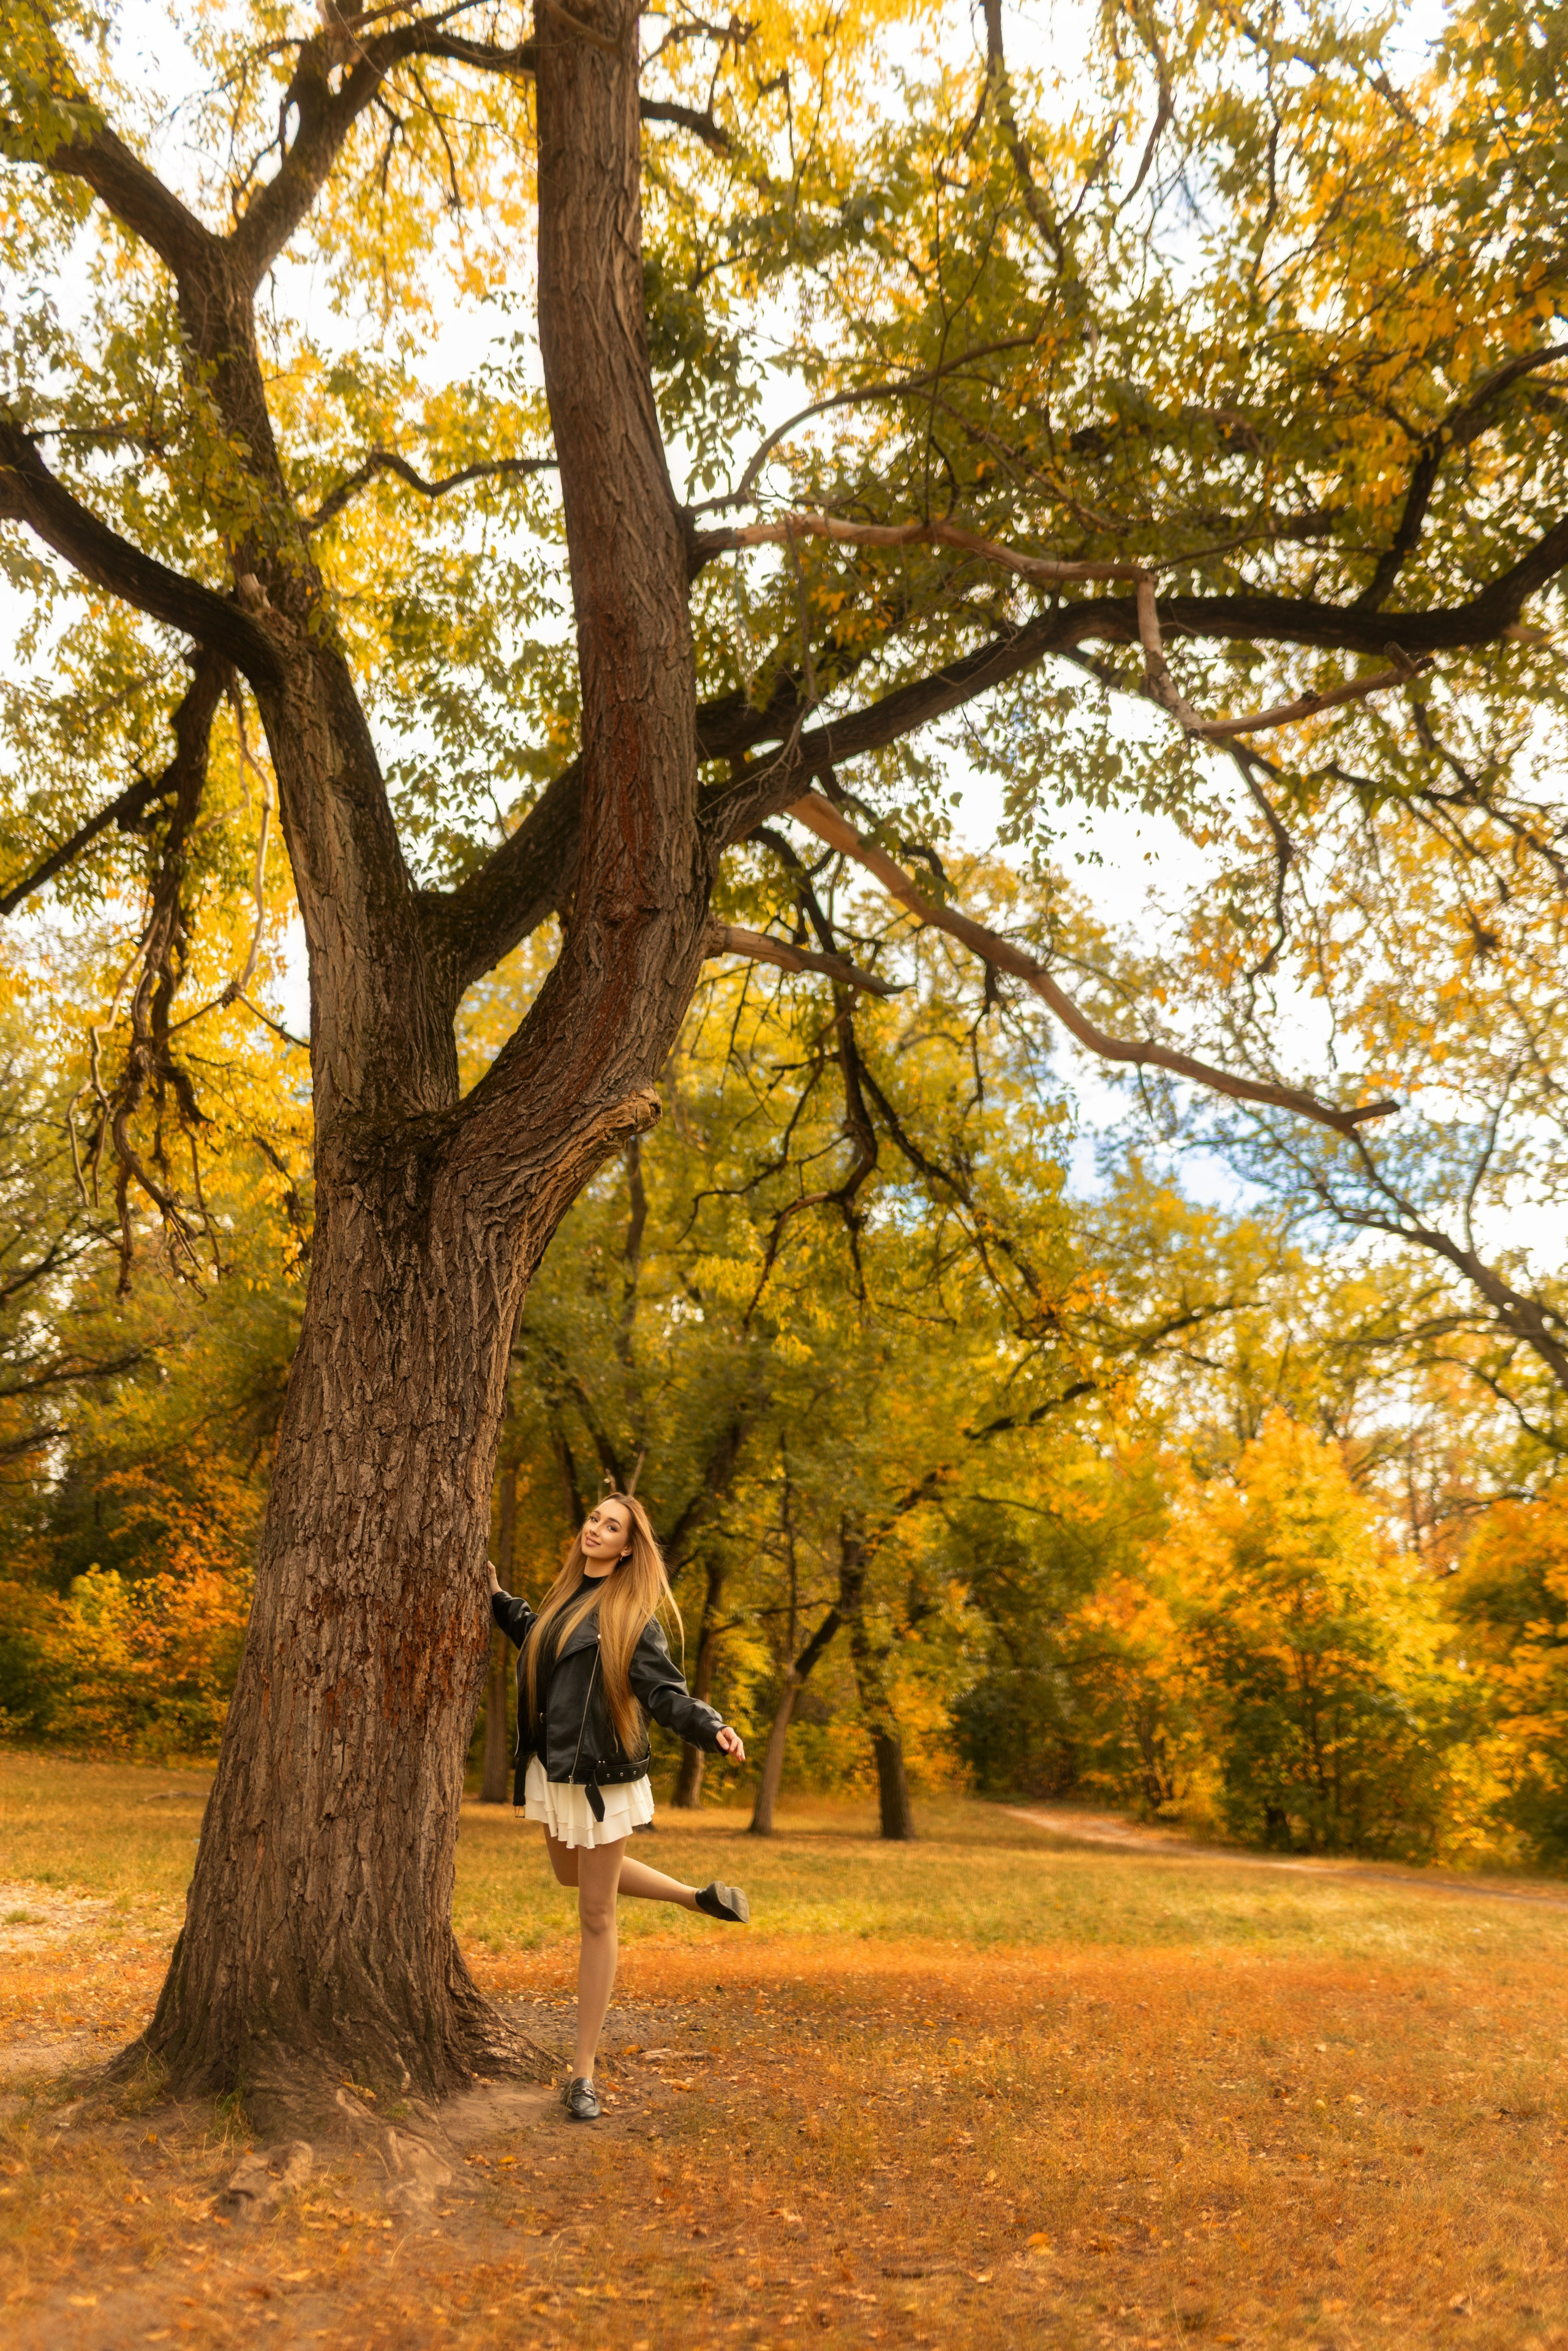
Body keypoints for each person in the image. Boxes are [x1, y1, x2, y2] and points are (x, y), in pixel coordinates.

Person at [488, 1492, 749, 2122]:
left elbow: (664, 1692)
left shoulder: (633, 1616)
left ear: (629, 1546)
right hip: (556, 1771)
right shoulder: (561, 1600)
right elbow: (541, 1643)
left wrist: (710, 1727)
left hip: (602, 1775)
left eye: (612, 1526)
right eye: (593, 1519)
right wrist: (498, 1600)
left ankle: (582, 2073)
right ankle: (696, 1896)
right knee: (570, 1873)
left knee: (596, 1914)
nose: (596, 1529)